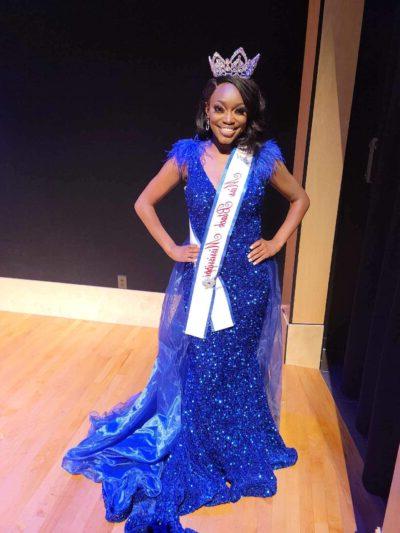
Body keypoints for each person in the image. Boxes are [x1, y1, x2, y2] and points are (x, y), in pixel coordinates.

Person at [61, 47, 310, 532]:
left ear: (250, 113)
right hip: (203, 284)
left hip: (248, 285)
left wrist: (277, 240)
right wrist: (174, 250)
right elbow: (143, 203)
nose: (228, 119)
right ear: (206, 109)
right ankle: (200, 447)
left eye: (239, 110)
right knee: (200, 368)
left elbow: (301, 198)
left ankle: (237, 443)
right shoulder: (186, 156)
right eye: (220, 108)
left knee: (238, 367)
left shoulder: (263, 159)